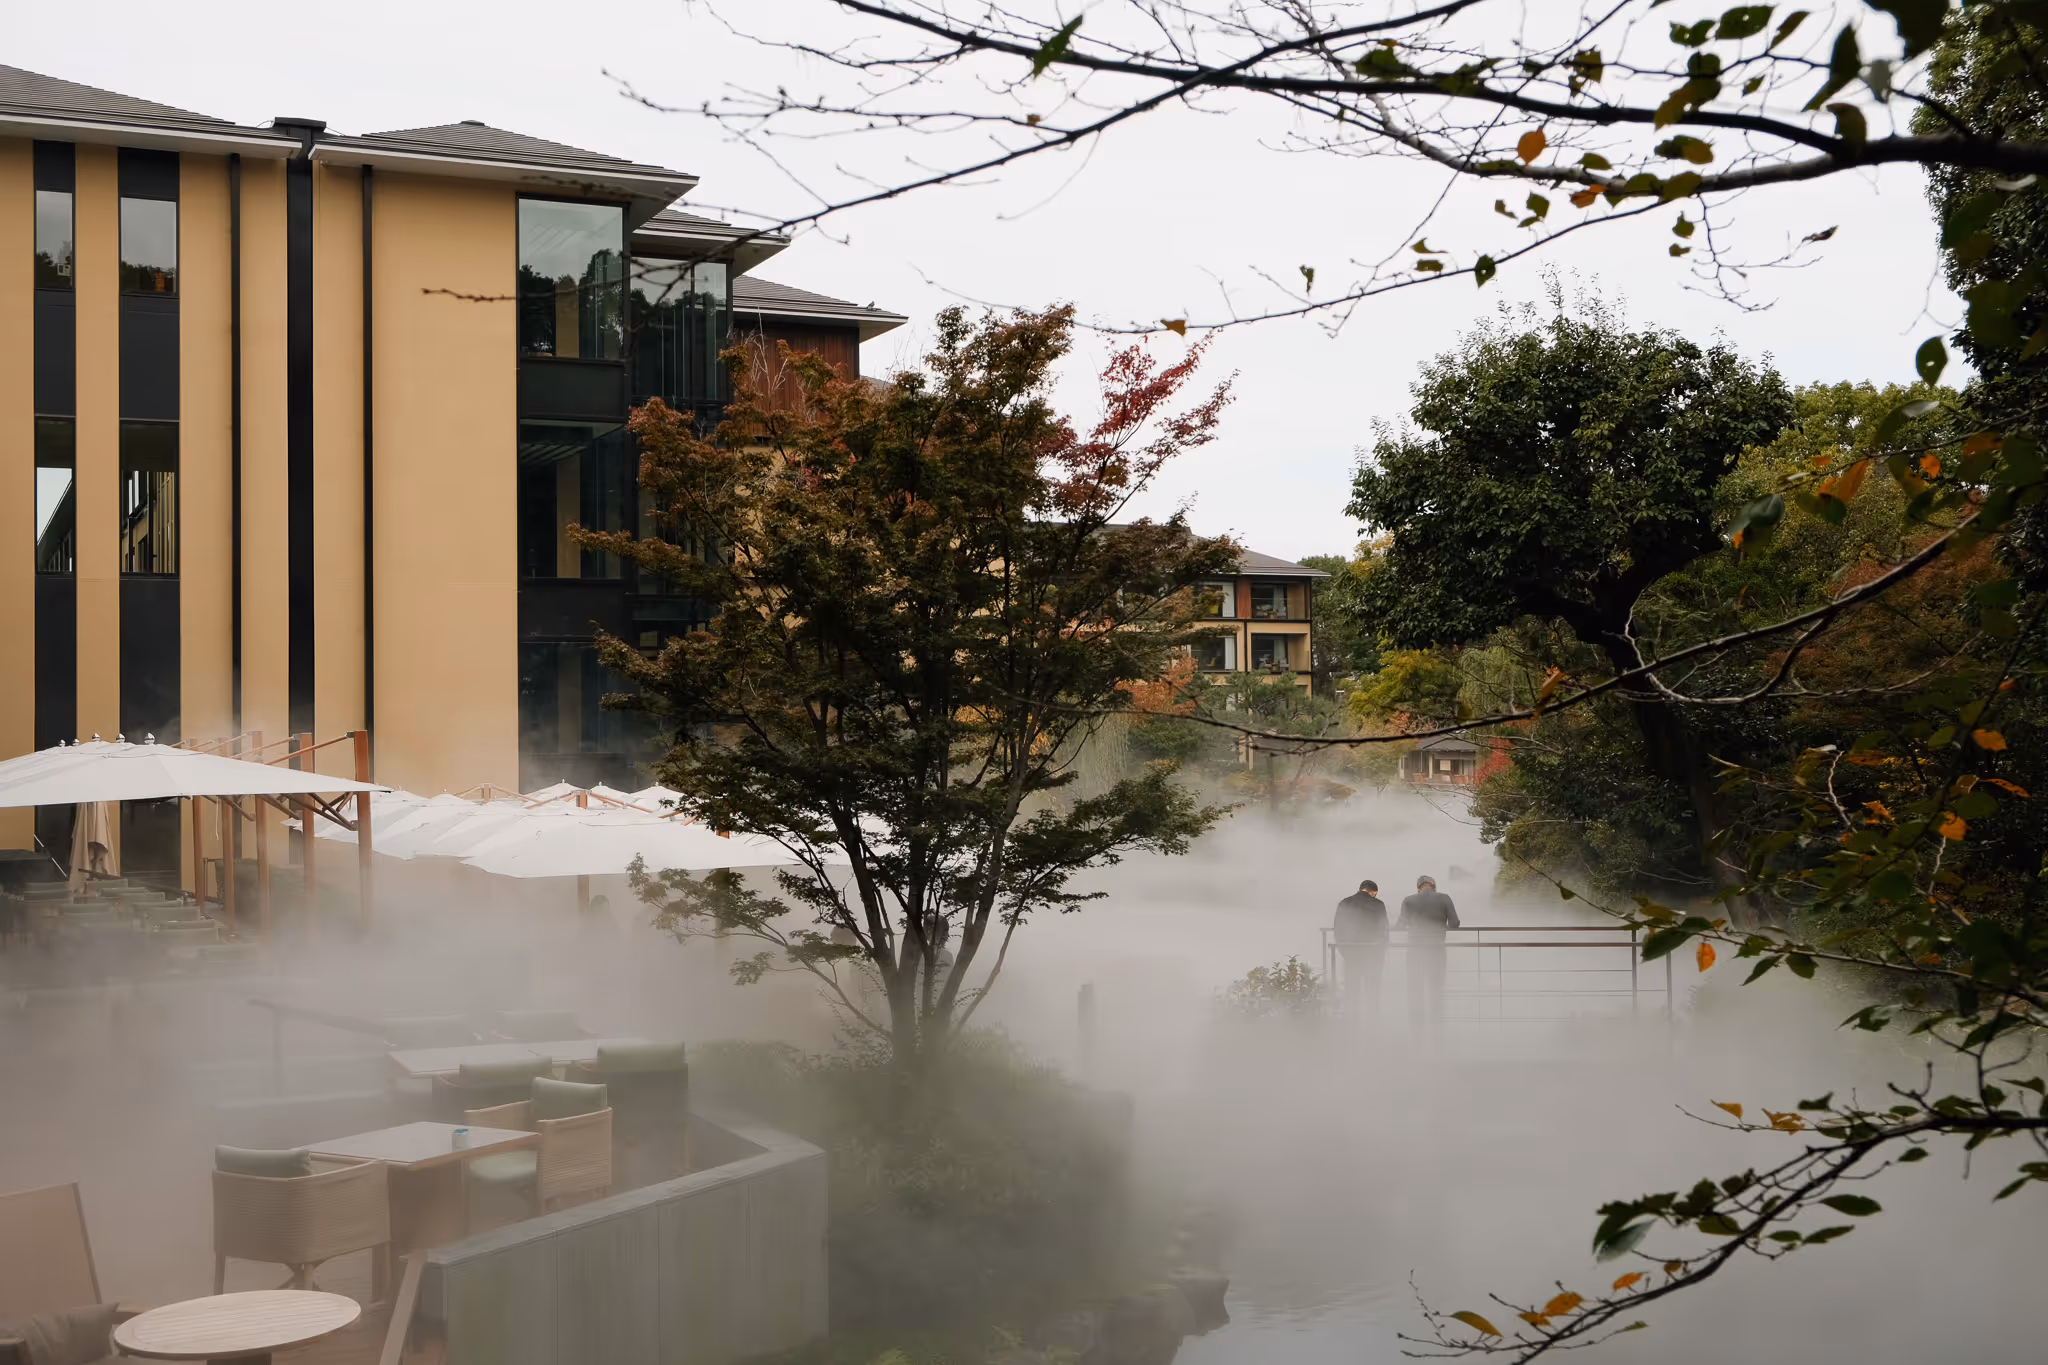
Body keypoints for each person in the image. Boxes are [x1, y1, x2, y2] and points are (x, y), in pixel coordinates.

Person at [1396, 874, 1461, 1040]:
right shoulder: (1444, 898)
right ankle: (1437, 1029)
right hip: (1436, 950)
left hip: (1414, 950)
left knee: (1415, 989)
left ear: (1418, 888)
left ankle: (1416, 1030)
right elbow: (1454, 923)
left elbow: (1400, 925)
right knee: (1436, 988)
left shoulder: (1409, 900)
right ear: (1434, 886)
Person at [1332, 880, 1388, 1021]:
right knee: (1373, 986)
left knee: (1352, 986)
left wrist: (1344, 950)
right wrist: (1381, 951)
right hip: (1373, 953)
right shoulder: (1378, 904)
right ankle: (1372, 1019)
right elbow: (1383, 930)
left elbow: (1338, 929)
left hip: (1351, 952)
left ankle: (1351, 1019)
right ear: (1373, 892)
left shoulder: (1344, 903)